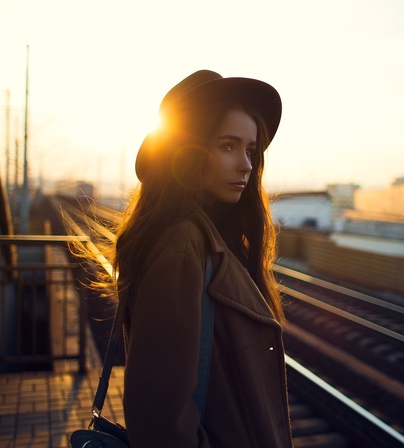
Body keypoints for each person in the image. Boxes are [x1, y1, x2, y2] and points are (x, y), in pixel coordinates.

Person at [113, 70, 293, 447]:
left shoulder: (208, 236)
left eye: (250, 150)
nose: (245, 164)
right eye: (228, 146)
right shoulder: (182, 246)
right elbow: (161, 421)